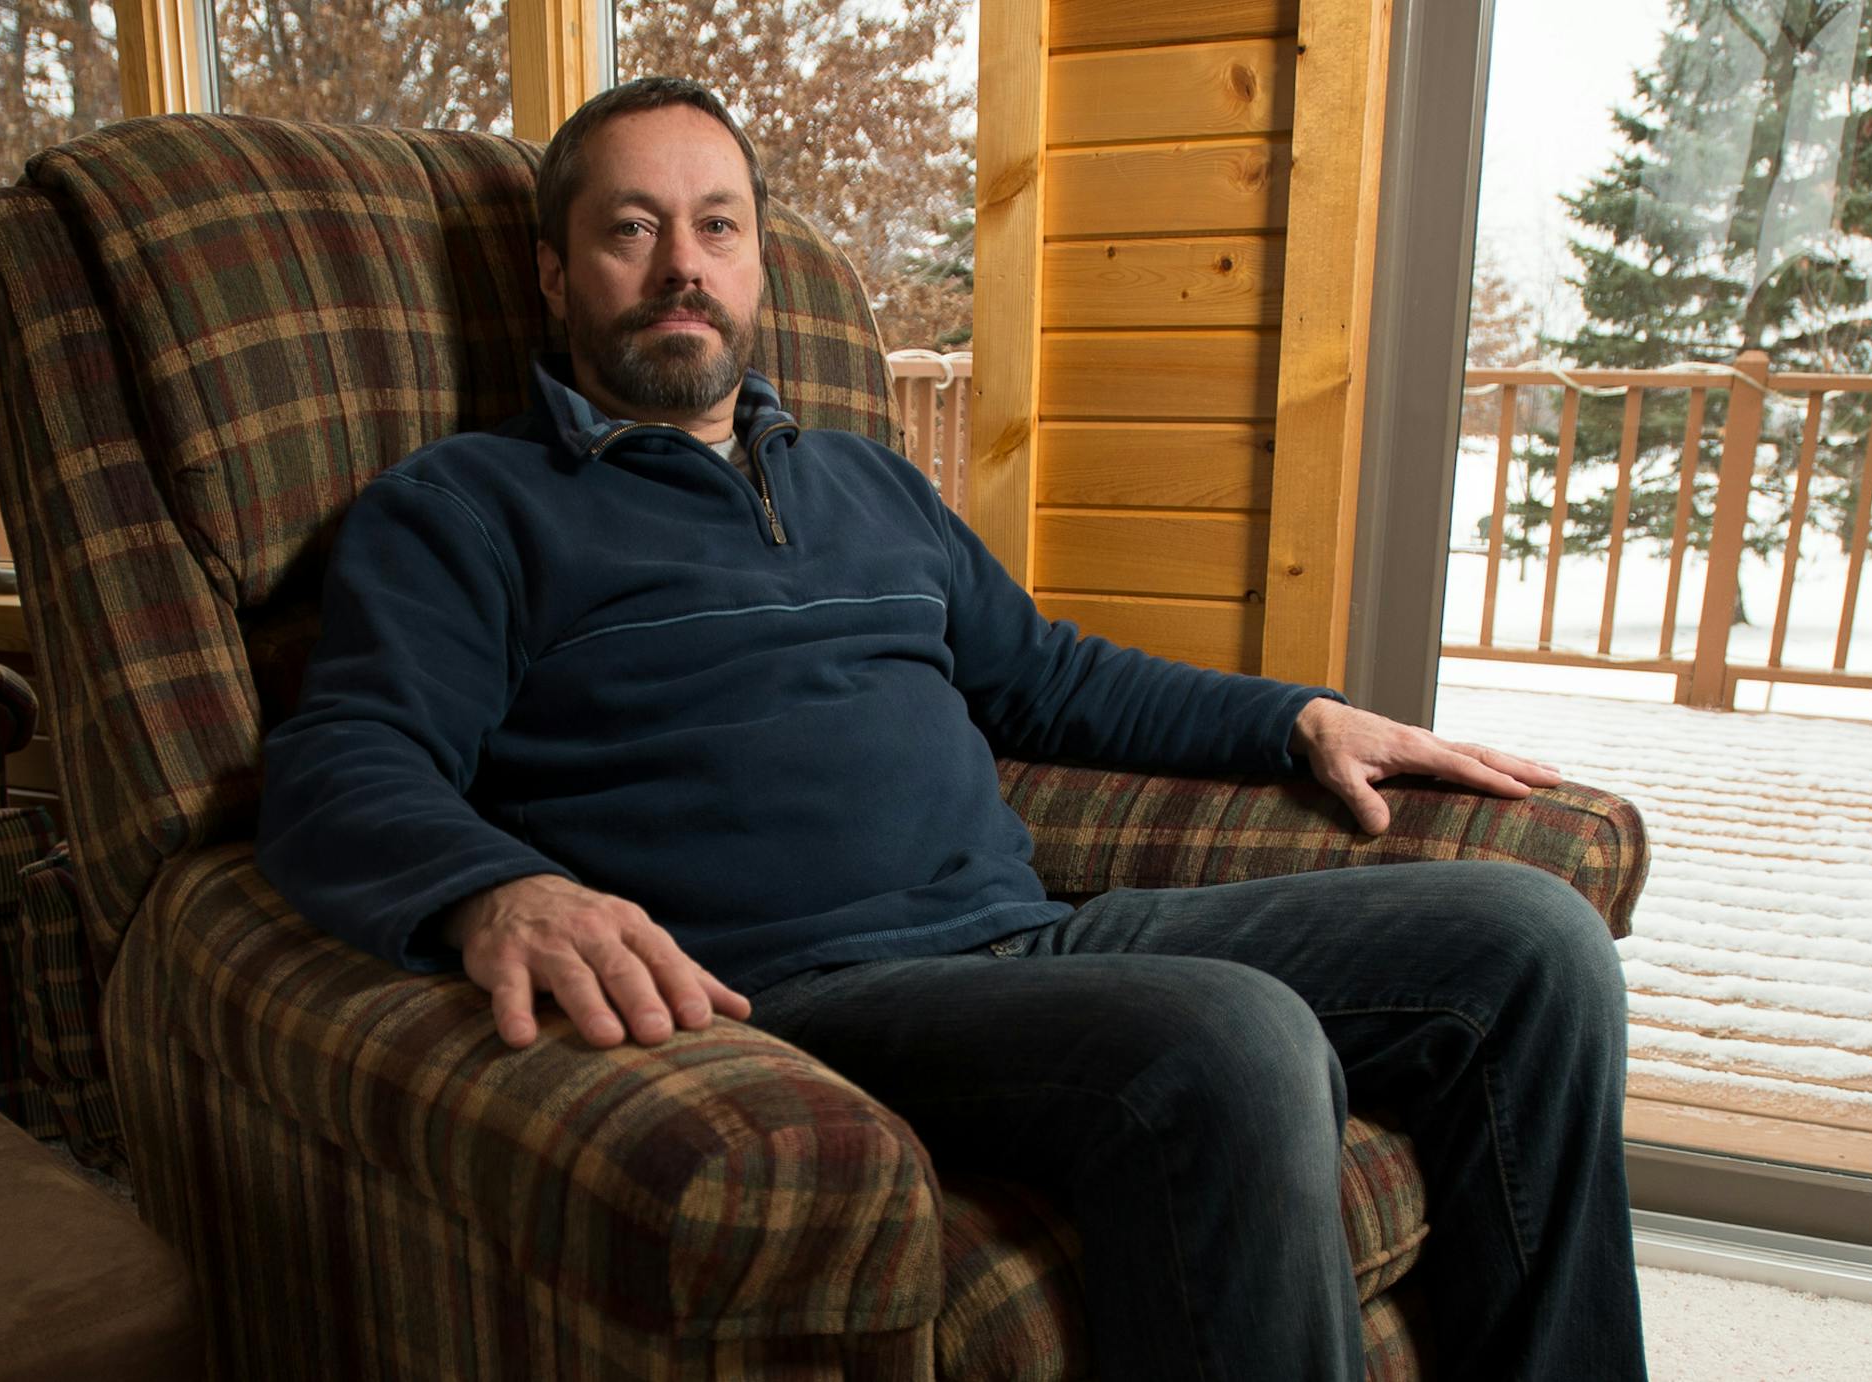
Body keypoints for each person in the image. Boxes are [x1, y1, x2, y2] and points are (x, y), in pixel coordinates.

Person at [258, 76, 1647, 1380]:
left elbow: (1050, 677)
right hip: (792, 992)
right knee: (1235, 1039)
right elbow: (343, 762)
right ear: (557, 278)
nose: (683, 264)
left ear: (756, 267)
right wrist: (496, 892)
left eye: (717, 227)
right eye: (632, 229)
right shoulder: (464, 510)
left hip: (1034, 942)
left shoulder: (867, 483)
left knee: (1533, 944)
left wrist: (1300, 717)